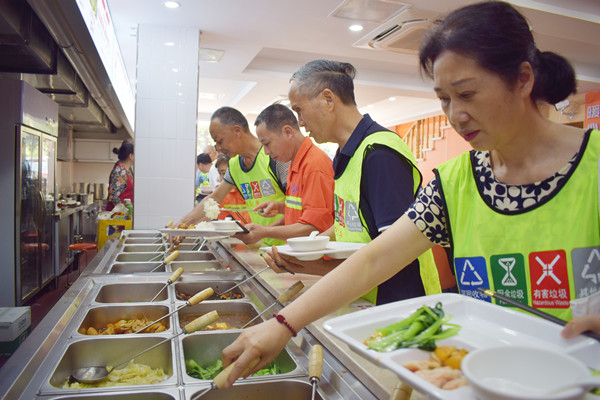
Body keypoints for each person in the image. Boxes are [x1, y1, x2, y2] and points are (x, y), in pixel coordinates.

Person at [219, 1, 600, 387]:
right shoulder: (454, 182)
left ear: (522, 79)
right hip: (485, 383)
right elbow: (375, 258)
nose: (455, 116)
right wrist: (284, 324)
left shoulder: (594, 164)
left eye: (467, 94)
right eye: (444, 99)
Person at [265, 60, 441, 301]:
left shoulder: (379, 154)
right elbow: (348, 224)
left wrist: (315, 269)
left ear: (328, 99)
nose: (301, 122)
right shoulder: (345, 153)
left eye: (299, 110)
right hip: (364, 294)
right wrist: (308, 248)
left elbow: (394, 255)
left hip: (401, 303)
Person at [178, 106, 289, 246]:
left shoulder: (275, 157)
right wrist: (182, 225)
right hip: (264, 247)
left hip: (287, 247)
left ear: (237, 131)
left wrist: (265, 231)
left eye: (220, 141)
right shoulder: (235, 165)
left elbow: (296, 208)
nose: (218, 148)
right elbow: (215, 198)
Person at [235, 103, 334, 244]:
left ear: (288, 132)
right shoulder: (294, 164)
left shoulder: (314, 165)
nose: (266, 152)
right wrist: (282, 208)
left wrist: (265, 232)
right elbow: (303, 213)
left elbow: (313, 227)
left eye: (267, 143)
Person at [106, 140, 134, 211]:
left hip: (124, 215)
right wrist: (124, 212)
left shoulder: (128, 170)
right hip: (118, 216)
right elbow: (114, 197)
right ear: (130, 156)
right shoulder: (120, 171)